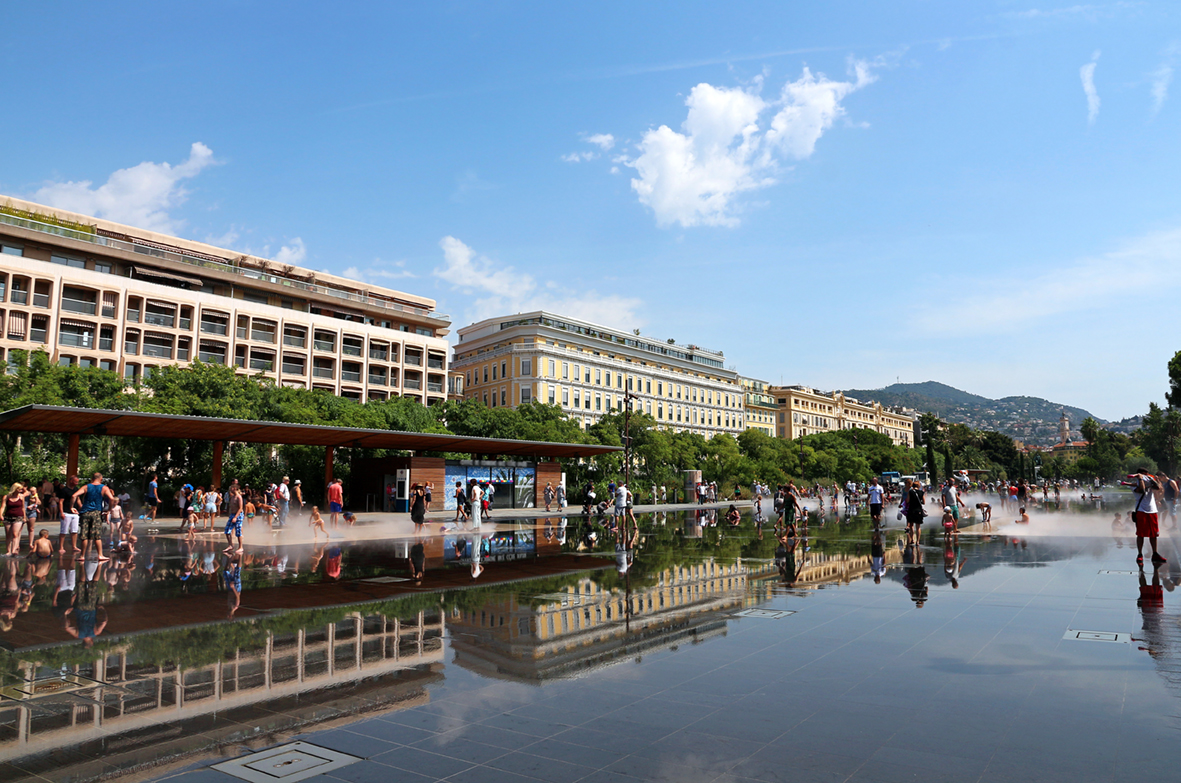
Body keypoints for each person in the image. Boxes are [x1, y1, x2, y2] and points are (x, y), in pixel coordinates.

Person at [73, 473, 116, 562]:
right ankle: (100, 555)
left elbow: (74, 495)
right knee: (97, 535)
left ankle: (82, 556)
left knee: (84, 535)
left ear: (92, 479)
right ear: (101, 479)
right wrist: (108, 510)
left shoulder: (86, 487)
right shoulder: (104, 488)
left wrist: (71, 507)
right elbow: (112, 499)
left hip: (85, 512)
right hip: (96, 513)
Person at [1129, 469, 1166, 566]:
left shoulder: (1150, 483)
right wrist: (1140, 479)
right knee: (1140, 534)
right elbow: (1141, 489)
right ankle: (1140, 554)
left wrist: (1156, 480)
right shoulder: (1134, 486)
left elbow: (1158, 488)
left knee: (1154, 534)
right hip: (1141, 511)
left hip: (1152, 511)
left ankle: (1155, 553)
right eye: (1144, 475)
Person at [57, 476, 79, 556]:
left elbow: (78, 499)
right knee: (64, 530)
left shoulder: (76, 489)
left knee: (74, 530)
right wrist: (61, 512)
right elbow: (60, 502)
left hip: (75, 512)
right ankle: (61, 547)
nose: (77, 483)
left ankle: (74, 546)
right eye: (75, 481)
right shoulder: (64, 490)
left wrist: (81, 508)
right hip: (66, 512)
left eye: (77, 482)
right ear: (71, 481)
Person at [4, 483, 27, 557]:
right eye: (19, 489)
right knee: (8, 535)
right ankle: (8, 551)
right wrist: (1, 514)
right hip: (8, 517)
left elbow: (23, 507)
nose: (21, 490)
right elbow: (3, 506)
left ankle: (14, 550)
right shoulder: (7, 497)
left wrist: (24, 517)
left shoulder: (21, 497)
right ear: (15, 489)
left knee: (15, 534)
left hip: (18, 517)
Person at [224, 482, 245, 554]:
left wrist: (235, 517)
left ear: (235, 488)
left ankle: (240, 547)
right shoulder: (232, 497)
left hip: (238, 515)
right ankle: (230, 545)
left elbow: (240, 508)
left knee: (238, 531)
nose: (230, 489)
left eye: (231, 488)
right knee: (227, 530)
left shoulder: (239, 497)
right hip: (232, 514)